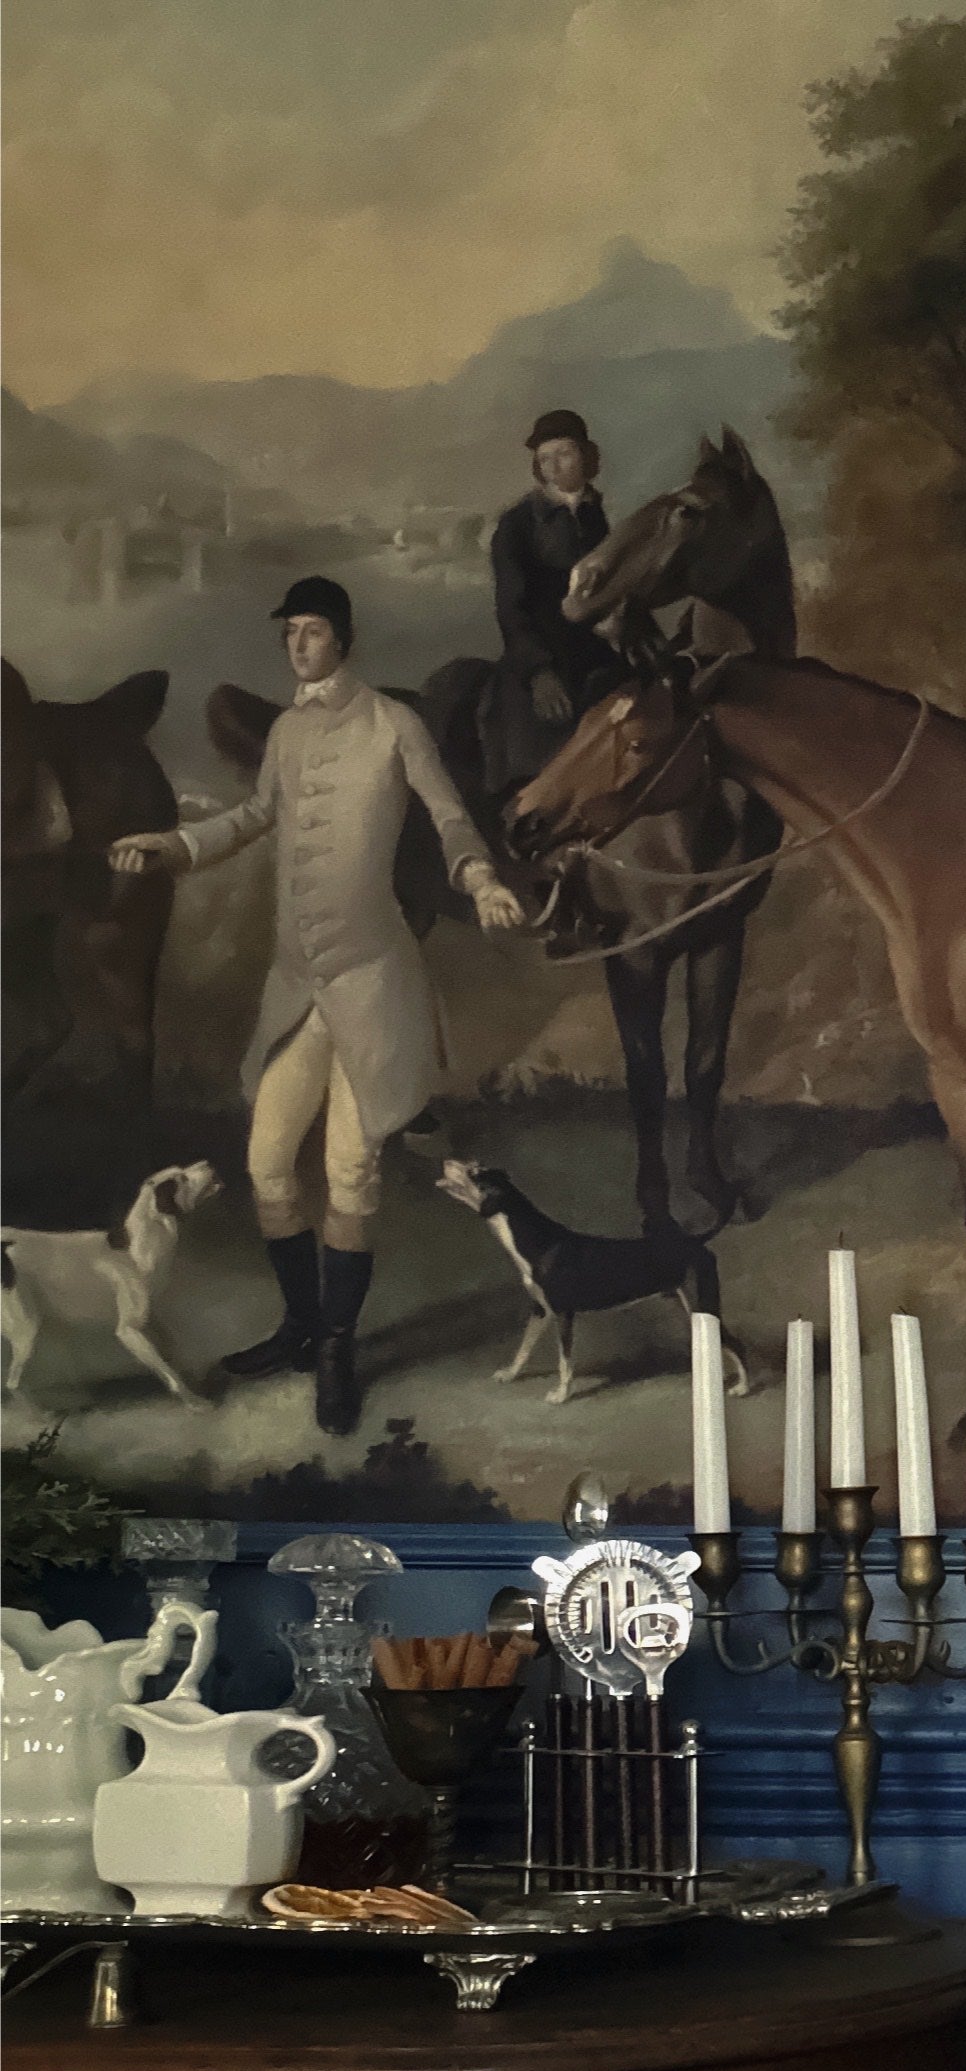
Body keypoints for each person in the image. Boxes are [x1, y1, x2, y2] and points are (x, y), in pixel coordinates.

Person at [110, 577, 525, 1436]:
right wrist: (177, 844)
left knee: (348, 1170)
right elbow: (258, 813)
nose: (298, 647)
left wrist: (480, 880)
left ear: (343, 639)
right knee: (266, 1164)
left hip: (373, 984)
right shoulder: (291, 732)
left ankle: (337, 1345)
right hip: (298, 986)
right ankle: (300, 1324)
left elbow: (450, 818)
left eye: (312, 632)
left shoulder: (393, 725)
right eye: (290, 633)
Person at [483, 408, 627, 797]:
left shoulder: (596, 516)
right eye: (544, 458)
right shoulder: (516, 525)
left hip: (596, 654)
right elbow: (511, 608)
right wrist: (539, 673)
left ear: (586, 456)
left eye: (563, 454)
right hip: (543, 657)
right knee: (539, 761)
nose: (552, 466)